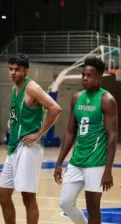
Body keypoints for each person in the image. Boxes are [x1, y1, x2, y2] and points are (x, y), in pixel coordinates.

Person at [0, 53, 62, 224]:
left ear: (25, 71)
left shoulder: (31, 87)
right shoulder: (14, 89)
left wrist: (40, 133)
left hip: (28, 147)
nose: (12, 73)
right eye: (10, 69)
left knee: (28, 197)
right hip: (14, 147)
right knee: (3, 195)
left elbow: (55, 108)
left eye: (16, 70)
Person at [54, 56, 117, 224]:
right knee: (65, 203)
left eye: (90, 76)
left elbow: (112, 136)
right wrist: (59, 162)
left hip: (96, 162)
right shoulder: (76, 98)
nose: (85, 78)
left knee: (93, 208)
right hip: (76, 161)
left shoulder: (107, 100)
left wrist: (108, 170)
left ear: (99, 78)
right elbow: (70, 131)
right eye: (83, 75)